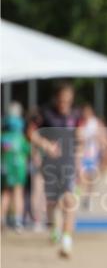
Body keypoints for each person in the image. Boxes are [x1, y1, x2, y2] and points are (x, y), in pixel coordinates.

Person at [30, 82, 83, 258]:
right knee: (52, 202)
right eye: (62, 99)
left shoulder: (76, 115)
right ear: (57, 97)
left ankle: (66, 242)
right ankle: (55, 228)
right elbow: (31, 133)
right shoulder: (46, 113)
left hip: (68, 164)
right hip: (51, 165)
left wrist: (80, 163)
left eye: (68, 99)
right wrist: (45, 145)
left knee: (69, 201)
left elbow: (79, 139)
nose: (64, 103)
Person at [1, 102, 31, 232]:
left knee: (6, 193)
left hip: (5, 169)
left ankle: (1, 219)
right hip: (19, 169)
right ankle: (18, 222)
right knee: (18, 193)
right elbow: (27, 151)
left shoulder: (3, 137)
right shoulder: (21, 138)